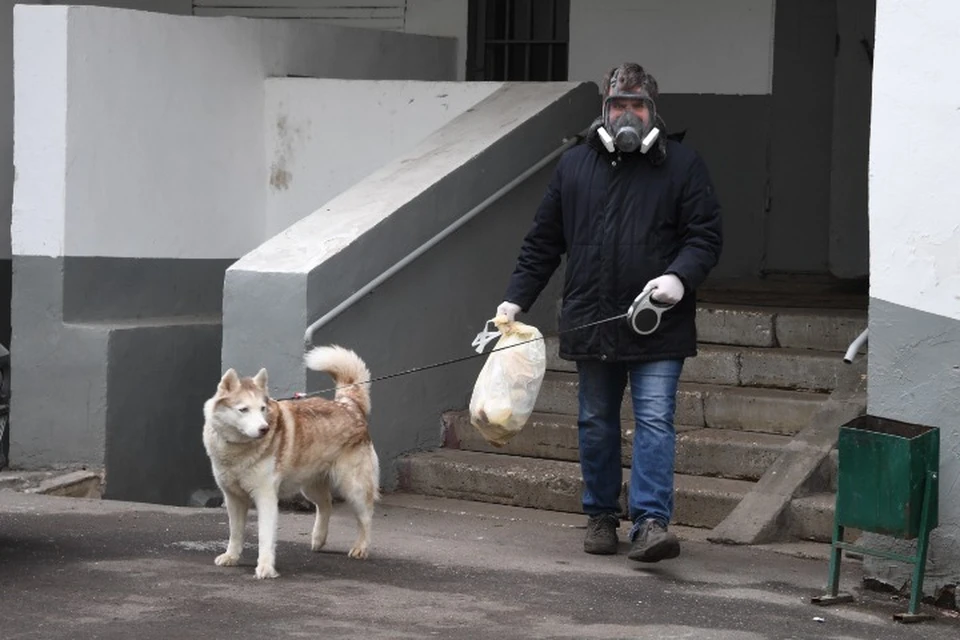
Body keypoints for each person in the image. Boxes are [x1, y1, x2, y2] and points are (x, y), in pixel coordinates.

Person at [496, 63, 722, 562]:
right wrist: (516, 298)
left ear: (652, 111)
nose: (627, 114)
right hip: (592, 318)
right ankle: (601, 514)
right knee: (596, 422)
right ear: (605, 109)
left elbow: (705, 236)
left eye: (637, 106)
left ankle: (650, 524)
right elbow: (543, 243)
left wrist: (679, 278)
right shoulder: (574, 165)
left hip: (656, 322)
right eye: (618, 105)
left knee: (655, 421)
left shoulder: (683, 165)